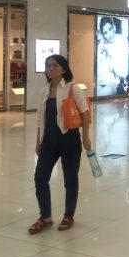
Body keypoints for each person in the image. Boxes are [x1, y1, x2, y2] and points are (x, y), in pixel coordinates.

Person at [29, 54, 91, 234]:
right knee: (40, 177)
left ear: (63, 69)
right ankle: (45, 216)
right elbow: (40, 119)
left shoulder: (73, 88)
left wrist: (85, 137)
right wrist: (38, 141)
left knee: (70, 179)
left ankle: (69, 215)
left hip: (69, 140)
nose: (50, 69)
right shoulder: (44, 91)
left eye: (54, 65)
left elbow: (85, 113)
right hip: (49, 141)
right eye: (48, 66)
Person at [97, 16, 129, 96]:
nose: (109, 34)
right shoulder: (103, 44)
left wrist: (109, 59)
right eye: (105, 32)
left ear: (114, 27)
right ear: (103, 34)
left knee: (101, 94)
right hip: (102, 79)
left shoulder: (122, 41)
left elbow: (124, 73)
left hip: (114, 82)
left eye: (110, 29)